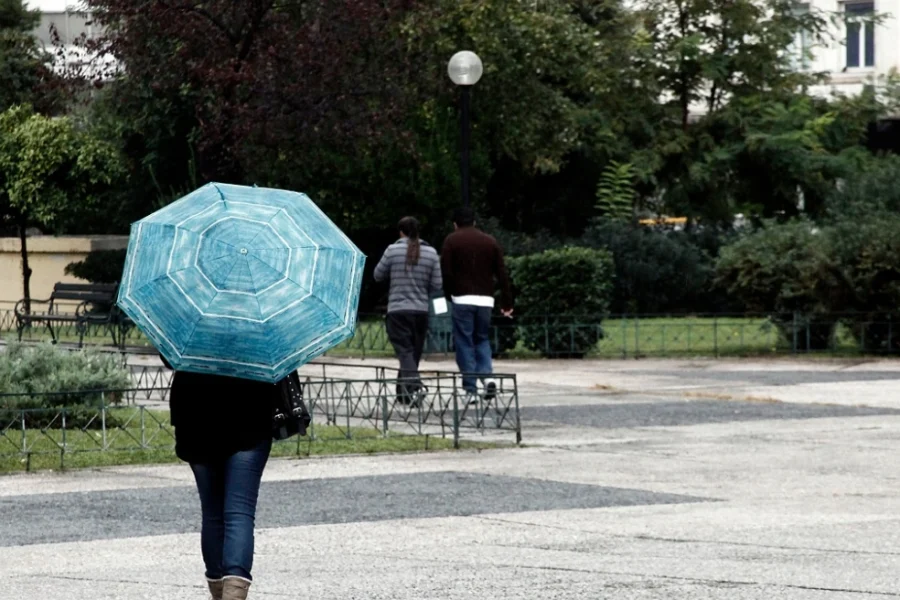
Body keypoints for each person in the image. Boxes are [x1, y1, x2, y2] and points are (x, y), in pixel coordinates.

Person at [163, 355, 277, 600]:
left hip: (195, 413)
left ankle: (219, 594)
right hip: (250, 409)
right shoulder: (258, 317)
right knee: (239, 514)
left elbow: (169, 355)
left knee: (213, 514)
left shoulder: (191, 315)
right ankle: (233, 595)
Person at [440, 207, 513, 401]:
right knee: (481, 338)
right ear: (474, 222)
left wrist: (450, 294)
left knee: (464, 341)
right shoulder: (490, 241)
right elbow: (502, 273)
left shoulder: (451, 241)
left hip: (462, 298)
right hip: (486, 299)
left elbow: (446, 272)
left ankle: (470, 388)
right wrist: (506, 302)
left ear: (455, 224)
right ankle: (487, 377)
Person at [373, 216, 443, 404]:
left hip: (397, 310)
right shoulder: (431, 253)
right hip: (420, 311)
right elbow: (437, 284)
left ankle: (414, 385)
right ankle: (403, 395)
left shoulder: (392, 250)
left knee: (405, 352)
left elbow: (377, 275)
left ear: (401, 231)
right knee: (413, 354)